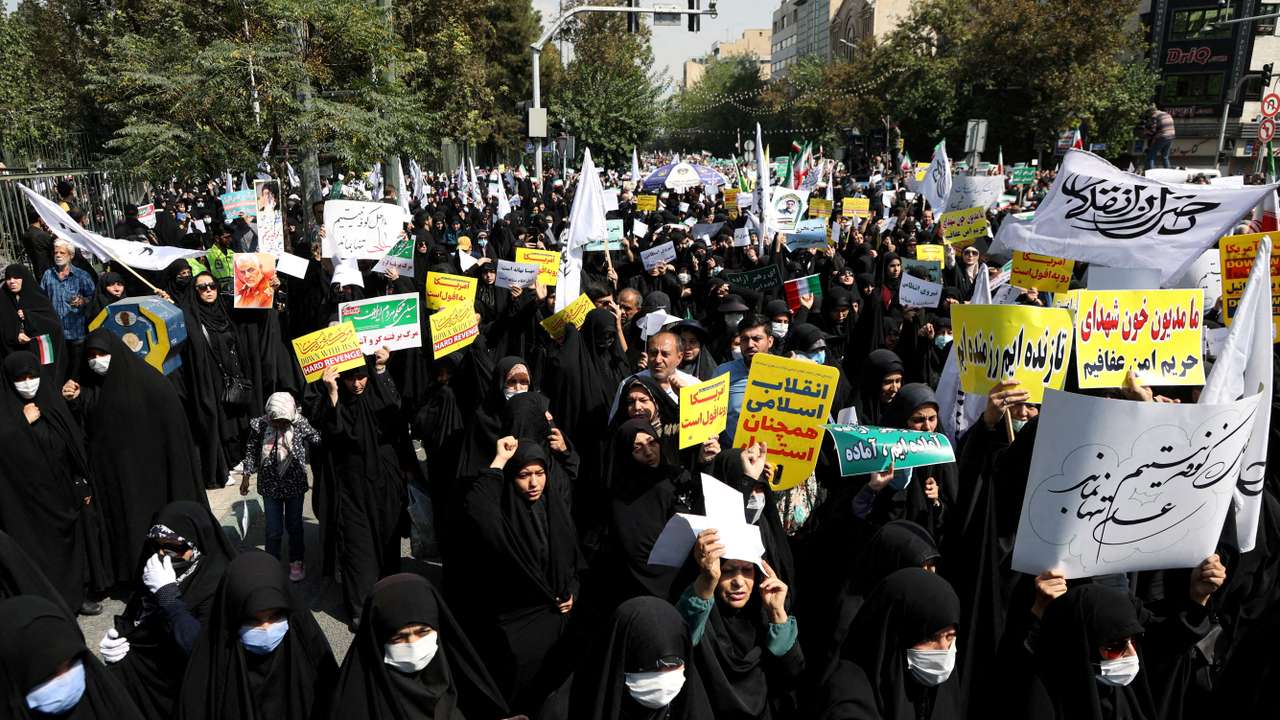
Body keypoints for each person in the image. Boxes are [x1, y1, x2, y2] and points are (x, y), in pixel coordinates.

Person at [65, 329, 207, 583]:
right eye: (92, 355)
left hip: (153, 477)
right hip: (116, 479)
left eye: (103, 353)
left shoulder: (151, 383)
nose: (97, 360)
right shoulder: (91, 388)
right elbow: (86, 426)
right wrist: (74, 400)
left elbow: (173, 431)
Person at [464, 436, 585, 712]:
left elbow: (574, 561)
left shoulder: (554, 509)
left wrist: (572, 592)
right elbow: (478, 506)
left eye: (540, 473)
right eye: (524, 475)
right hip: (518, 626)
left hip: (559, 624)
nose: (534, 484)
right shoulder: (502, 518)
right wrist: (499, 461)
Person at [100, 501, 237, 719]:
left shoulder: (218, 584)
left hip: (193, 690)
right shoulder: (155, 571)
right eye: (157, 543)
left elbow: (203, 651)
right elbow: (137, 616)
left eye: (174, 545)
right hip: (155, 684)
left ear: (197, 541)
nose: (163, 552)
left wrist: (168, 595)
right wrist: (118, 639)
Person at [176, 550, 338, 720]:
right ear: (232, 619)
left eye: (275, 616)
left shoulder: (313, 662)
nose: (266, 629)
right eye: (252, 620)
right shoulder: (208, 678)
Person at [328, 572, 513, 719]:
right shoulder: (356, 703)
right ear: (378, 639)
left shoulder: (462, 677)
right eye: (399, 638)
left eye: (423, 632)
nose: (413, 645)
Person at [0, 351, 102, 615]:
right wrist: (21, 425)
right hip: (27, 504)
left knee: (72, 549)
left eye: (32, 376)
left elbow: (75, 442)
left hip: (64, 493)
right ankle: (53, 605)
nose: (27, 383)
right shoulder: (7, 414)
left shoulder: (52, 403)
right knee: (40, 556)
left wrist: (82, 482)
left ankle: (78, 596)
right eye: (20, 378)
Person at [315, 350, 410, 624]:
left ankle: (392, 603)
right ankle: (361, 611)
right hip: (351, 488)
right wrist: (332, 394)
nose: (357, 384)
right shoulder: (335, 399)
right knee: (358, 550)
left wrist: (380, 370)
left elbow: (394, 414)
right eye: (350, 379)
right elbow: (333, 434)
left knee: (387, 544)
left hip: (384, 484)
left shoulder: (377, 392)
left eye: (361, 377)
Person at [677, 528, 803, 719]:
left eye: (747, 570)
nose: (738, 581)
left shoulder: (763, 617)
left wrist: (777, 613)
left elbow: (792, 674)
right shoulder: (698, 614)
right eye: (727, 571)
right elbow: (680, 641)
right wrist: (706, 583)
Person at [816, 568, 963, 719]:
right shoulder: (848, 702)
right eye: (930, 638)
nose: (944, 650)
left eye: (950, 637)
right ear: (896, 635)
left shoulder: (937, 690)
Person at [539, 596, 710, 720]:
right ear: (623, 656)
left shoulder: (690, 707)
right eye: (653, 667)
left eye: (675, 665)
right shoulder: (566, 709)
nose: (664, 678)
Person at [0, 595, 143, 719]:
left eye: (71, 663)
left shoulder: (105, 699)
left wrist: (120, 666)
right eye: (47, 675)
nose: (65, 679)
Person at [177, 270, 251, 488]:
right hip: (208, 378)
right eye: (202, 287)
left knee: (233, 416)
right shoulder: (190, 317)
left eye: (212, 286)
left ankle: (234, 458)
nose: (208, 290)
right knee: (214, 418)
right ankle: (220, 467)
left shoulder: (223, 311)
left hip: (230, 375)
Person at [239, 392, 320, 581]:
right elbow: (251, 450)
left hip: (294, 485)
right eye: (276, 422)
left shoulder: (299, 423)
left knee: (294, 526)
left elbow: (317, 440)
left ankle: (296, 561)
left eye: (284, 422)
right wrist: (246, 475)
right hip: (270, 486)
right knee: (273, 529)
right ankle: (272, 563)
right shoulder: (259, 425)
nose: (280, 426)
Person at [39, 238, 96, 376]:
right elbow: (42, 299)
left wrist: (83, 301)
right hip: (56, 331)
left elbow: (93, 298)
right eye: (56, 252)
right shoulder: (48, 275)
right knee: (60, 368)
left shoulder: (81, 276)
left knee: (77, 368)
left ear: (70, 255)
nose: (58, 255)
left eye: (62, 253)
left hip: (76, 330)